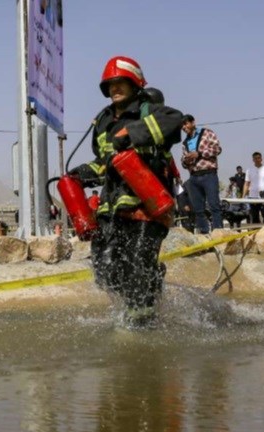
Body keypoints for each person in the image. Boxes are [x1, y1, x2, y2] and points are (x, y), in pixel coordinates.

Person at [68, 55, 183, 327]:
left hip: (146, 209)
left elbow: (175, 121)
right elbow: (105, 163)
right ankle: (146, 291)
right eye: (110, 84)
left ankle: (142, 325)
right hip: (111, 210)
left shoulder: (150, 111)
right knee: (104, 270)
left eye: (121, 83)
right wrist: (81, 174)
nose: (115, 88)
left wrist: (132, 133)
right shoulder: (103, 121)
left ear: (135, 84)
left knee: (137, 269)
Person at [180, 115, 223, 233]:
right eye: (182, 126)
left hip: (209, 174)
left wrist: (199, 153)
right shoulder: (185, 142)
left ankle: (218, 234)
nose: (184, 127)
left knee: (214, 206)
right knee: (198, 209)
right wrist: (185, 161)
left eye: (185, 124)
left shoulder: (207, 133)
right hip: (194, 177)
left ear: (193, 122)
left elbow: (217, 149)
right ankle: (204, 235)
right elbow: (183, 161)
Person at [241, 152, 264, 224]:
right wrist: (243, 196)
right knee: (255, 217)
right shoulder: (249, 170)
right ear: (253, 160)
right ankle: (255, 233)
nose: (257, 160)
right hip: (253, 197)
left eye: (258, 158)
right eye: (255, 158)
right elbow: (246, 184)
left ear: (261, 159)